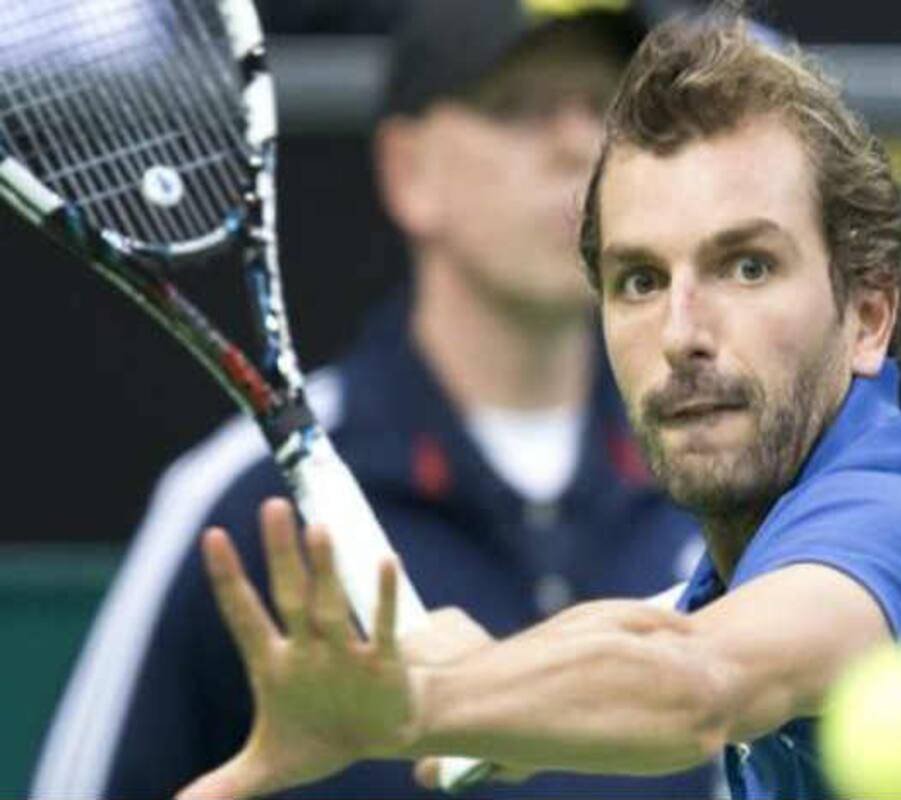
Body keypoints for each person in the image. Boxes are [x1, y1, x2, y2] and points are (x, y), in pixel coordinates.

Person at [175, 7, 901, 800]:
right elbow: (646, 633)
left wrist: (412, 702)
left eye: (747, 265)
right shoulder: (748, 577)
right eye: (637, 279)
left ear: (868, 317)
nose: (682, 330)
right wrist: (487, 675)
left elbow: (696, 675)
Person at [30, 2, 718, 799]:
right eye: (521, 110)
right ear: (407, 171)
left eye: (608, 109)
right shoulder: (237, 502)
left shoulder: (717, 484)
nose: (578, 145)